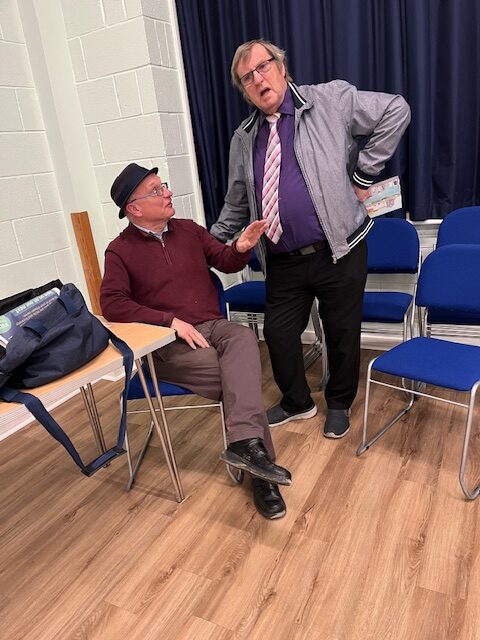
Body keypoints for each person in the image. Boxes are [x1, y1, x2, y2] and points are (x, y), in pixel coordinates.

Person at [211, 39, 411, 438]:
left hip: (338, 250)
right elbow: (237, 202)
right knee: (278, 333)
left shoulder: (329, 100)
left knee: (341, 333)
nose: (258, 79)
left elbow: (396, 109)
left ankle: (339, 403)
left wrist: (364, 173)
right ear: (244, 90)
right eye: (247, 77)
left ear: (281, 67)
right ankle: (296, 402)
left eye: (263, 67)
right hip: (282, 259)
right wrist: (209, 246)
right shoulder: (244, 138)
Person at [100, 163, 292, 519]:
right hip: (166, 344)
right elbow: (112, 303)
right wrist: (170, 322)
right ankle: (261, 474)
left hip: (212, 325)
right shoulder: (119, 251)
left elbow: (225, 260)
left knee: (243, 336)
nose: (168, 193)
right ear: (134, 208)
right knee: (240, 379)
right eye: (157, 190)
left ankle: (244, 446)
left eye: (163, 185)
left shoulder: (188, 230)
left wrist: (241, 246)